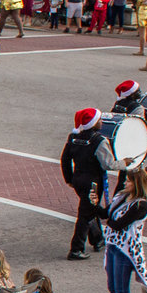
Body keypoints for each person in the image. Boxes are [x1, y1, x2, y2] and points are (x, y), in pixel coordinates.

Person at [60, 108, 112, 259]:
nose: (102, 122)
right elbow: (109, 164)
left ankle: (98, 239)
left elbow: (65, 159)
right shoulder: (99, 141)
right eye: (99, 120)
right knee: (85, 215)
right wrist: (125, 163)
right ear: (94, 123)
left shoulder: (73, 137)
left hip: (78, 180)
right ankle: (76, 249)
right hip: (93, 184)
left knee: (90, 208)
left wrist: (69, 179)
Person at [102, 169, 147, 293]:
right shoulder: (122, 197)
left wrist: (108, 220)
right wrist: (93, 204)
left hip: (126, 250)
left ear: (137, 183)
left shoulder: (140, 205)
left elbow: (118, 224)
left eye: (129, 181)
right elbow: (106, 214)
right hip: (113, 245)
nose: (125, 183)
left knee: (122, 289)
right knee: (112, 287)